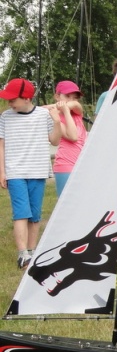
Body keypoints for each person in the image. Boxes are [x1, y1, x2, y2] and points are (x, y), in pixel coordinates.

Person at [0, 78, 62, 269]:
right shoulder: (5, 117)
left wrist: (57, 122)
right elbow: (1, 145)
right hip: (15, 171)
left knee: (34, 215)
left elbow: (55, 141)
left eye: (13, 99)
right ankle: (22, 255)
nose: (9, 103)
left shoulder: (44, 115)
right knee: (21, 213)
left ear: (26, 98)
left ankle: (32, 251)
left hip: (38, 170)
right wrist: (2, 171)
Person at [45, 80, 87, 196]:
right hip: (65, 165)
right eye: (67, 96)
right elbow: (73, 137)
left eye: (75, 97)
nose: (71, 99)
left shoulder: (77, 110)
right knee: (66, 204)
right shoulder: (55, 118)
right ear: (57, 96)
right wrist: (65, 112)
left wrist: (62, 107)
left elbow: (74, 105)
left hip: (82, 163)